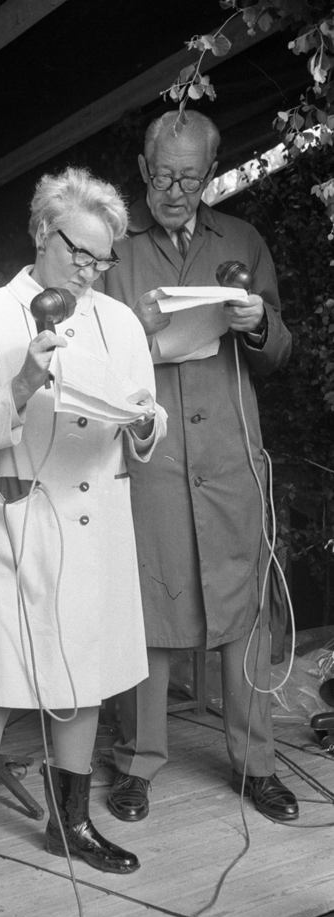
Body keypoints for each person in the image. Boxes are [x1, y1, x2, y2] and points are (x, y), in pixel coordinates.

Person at [0, 166, 167, 917]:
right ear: (42, 232)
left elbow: (148, 413)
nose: (92, 271)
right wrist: (22, 385)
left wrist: (143, 424)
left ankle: (70, 824)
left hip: (96, 519)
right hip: (20, 519)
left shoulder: (120, 321)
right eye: (80, 254)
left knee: (84, 678)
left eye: (103, 260)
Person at [102, 110, 297, 825]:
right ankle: (137, 762)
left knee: (245, 610)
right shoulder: (115, 247)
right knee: (149, 610)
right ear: (144, 167)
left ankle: (257, 763)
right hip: (151, 458)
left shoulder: (242, 238)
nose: (174, 190)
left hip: (230, 460)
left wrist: (254, 324)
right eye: (162, 175)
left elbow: (280, 352)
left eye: (189, 177)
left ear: (210, 175)